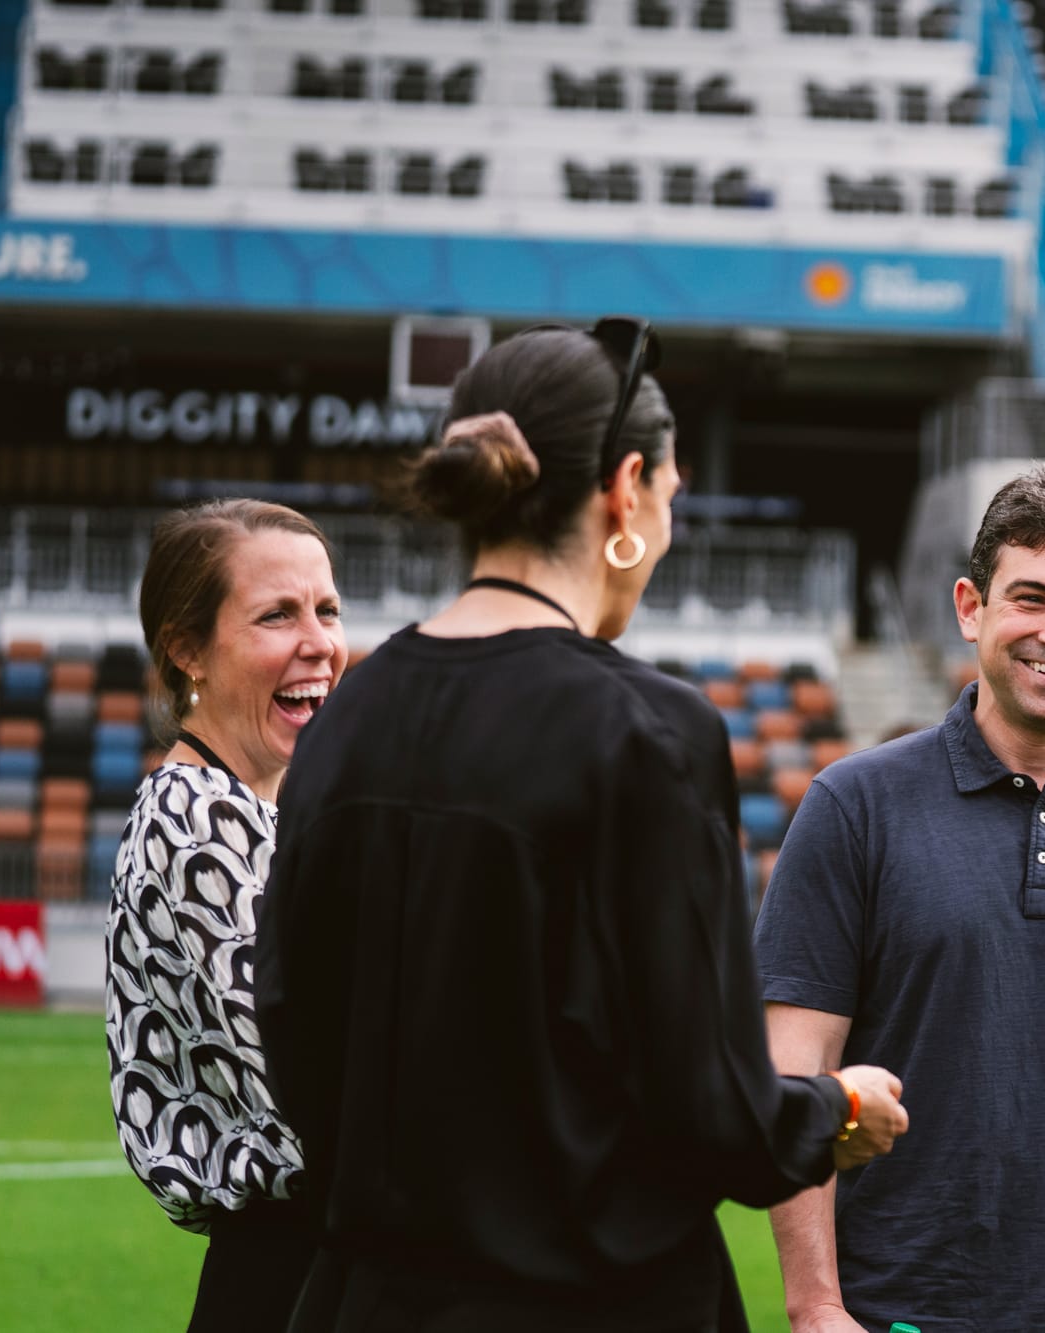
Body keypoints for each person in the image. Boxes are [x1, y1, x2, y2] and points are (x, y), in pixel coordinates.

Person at [252, 322, 907, 1332]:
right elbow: (715, 1115)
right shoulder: (647, 731)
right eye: (673, 498)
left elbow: (293, 1042)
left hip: (363, 1299)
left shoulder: (344, 717)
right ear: (626, 487)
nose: (670, 525)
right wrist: (841, 1108)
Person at [753, 466, 1045, 1333]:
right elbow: (794, 1075)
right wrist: (817, 1307)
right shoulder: (853, 806)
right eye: (1032, 598)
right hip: (900, 1313)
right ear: (971, 606)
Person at [106, 498, 349, 1331]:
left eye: (327, 608)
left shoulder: (269, 809)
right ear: (186, 648)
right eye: (277, 614)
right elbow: (312, 1077)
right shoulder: (192, 816)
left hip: (325, 1260)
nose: (318, 641)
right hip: (292, 1271)